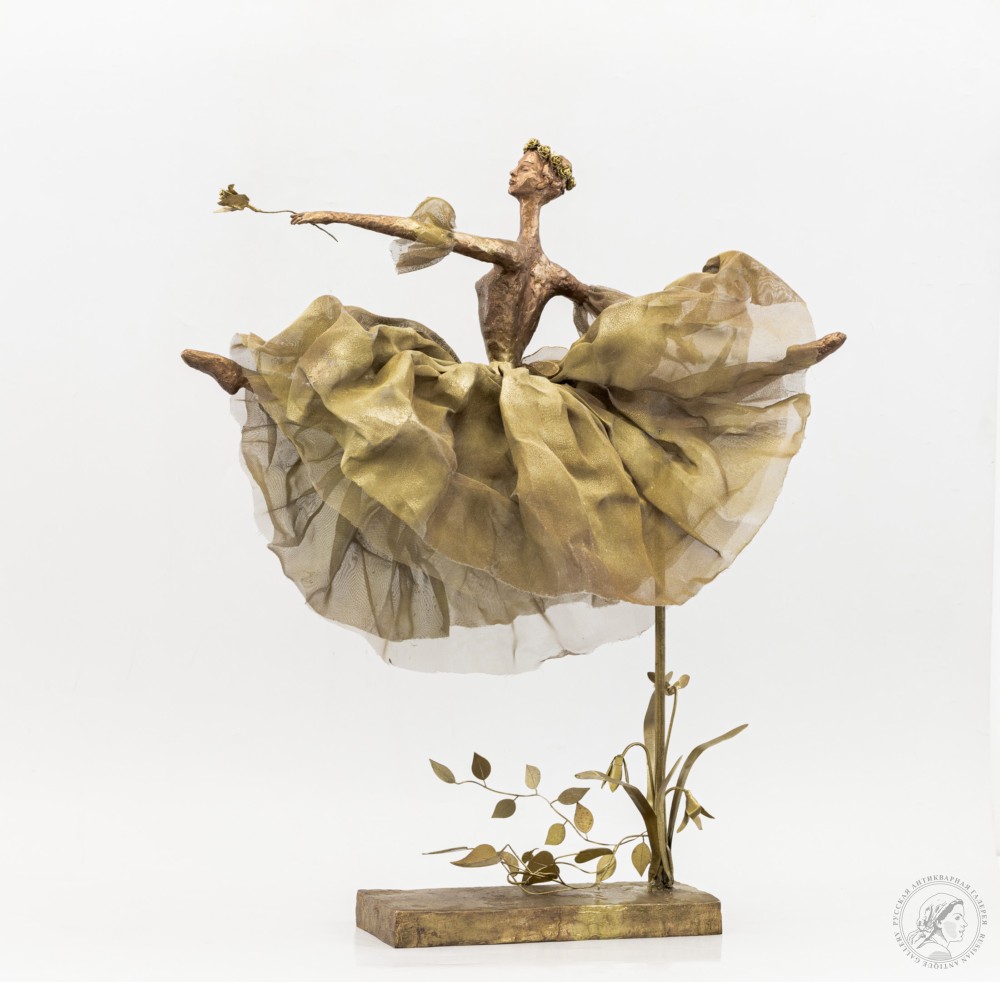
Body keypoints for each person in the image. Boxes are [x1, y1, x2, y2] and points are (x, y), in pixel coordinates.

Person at [182, 140, 845, 672]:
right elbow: (421, 233)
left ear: (544, 186)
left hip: (519, 393)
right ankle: (250, 376)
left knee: (411, 407)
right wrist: (328, 216)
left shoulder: (533, 262)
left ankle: (778, 361)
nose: (513, 172)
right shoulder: (539, 265)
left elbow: (641, 333)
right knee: (378, 375)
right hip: (498, 387)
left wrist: (333, 215)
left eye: (524, 167)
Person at [906, 895, 968, 960]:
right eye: (957, 918)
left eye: (962, 918)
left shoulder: (925, 946)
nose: (965, 924)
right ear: (939, 922)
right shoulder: (940, 952)